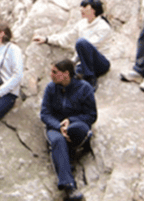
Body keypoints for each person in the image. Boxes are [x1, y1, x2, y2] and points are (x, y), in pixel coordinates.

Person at [40, 59, 97, 201]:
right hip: (56, 127)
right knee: (58, 140)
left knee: (76, 130)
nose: (51, 75)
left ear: (66, 74)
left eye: (54, 72)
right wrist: (59, 126)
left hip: (77, 125)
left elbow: (91, 115)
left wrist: (70, 121)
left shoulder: (84, 88)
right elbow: (45, 114)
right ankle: (69, 185)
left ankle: (72, 151)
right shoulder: (50, 88)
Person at [33, 0, 112, 89]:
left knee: (81, 42)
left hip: (100, 63)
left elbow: (90, 46)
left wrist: (74, 61)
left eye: (85, 6)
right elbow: (67, 38)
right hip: (84, 63)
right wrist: (47, 39)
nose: (81, 9)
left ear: (93, 10)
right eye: (81, 6)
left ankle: (91, 78)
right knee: (67, 78)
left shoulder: (104, 27)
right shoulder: (81, 24)